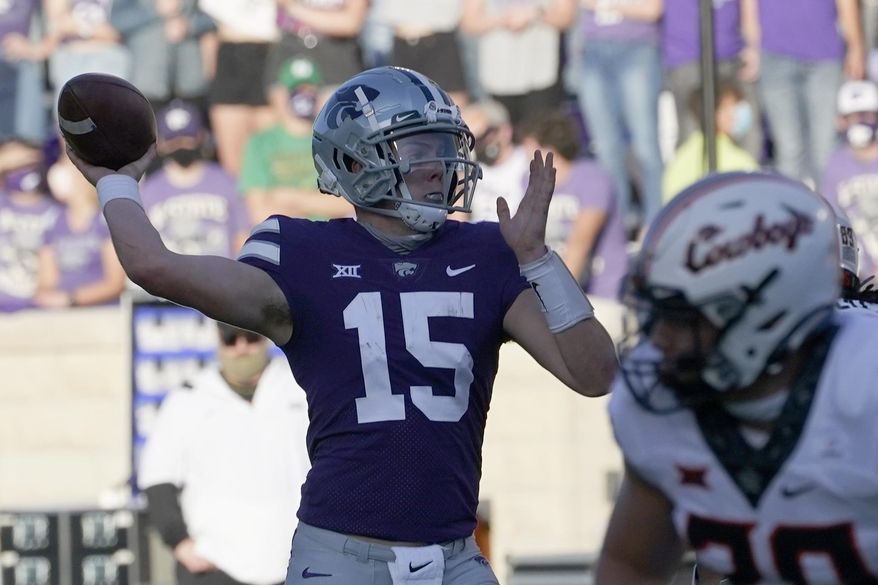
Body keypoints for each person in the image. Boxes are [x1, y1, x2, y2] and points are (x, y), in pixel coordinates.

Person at [68, 66, 617, 585]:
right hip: (342, 556)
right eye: (419, 148)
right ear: (354, 163)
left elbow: (595, 374)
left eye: (446, 147)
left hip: (455, 554)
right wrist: (116, 183)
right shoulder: (302, 252)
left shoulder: (490, 252)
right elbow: (153, 266)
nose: (440, 165)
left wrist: (539, 260)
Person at [595, 172, 878, 583]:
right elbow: (630, 565)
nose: (658, 341)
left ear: (764, 316)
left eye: (683, 318)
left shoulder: (864, 379)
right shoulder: (659, 398)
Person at [138, 322, 310, 585]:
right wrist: (180, 543)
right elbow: (158, 478)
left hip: (296, 562)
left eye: (251, 337)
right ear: (218, 340)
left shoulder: (299, 388)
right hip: (216, 566)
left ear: (265, 338)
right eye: (231, 339)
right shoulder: (189, 398)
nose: (242, 347)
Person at [572, 0, 665, 237]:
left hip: (637, 49)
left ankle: (654, 223)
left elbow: (652, 10)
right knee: (605, 148)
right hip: (592, 51)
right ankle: (619, 225)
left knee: (646, 144)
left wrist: (605, 4)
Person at [746, 0, 865, 184]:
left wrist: (856, 46)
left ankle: (829, 209)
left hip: (824, 57)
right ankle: (789, 210)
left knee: (826, 148)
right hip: (774, 55)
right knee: (788, 149)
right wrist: (753, 45)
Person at [240, 56, 352, 224]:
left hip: (324, 237)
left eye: (309, 88)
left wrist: (291, 198)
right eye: (296, 89)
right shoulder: (259, 143)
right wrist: (319, 204)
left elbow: (347, 204)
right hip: (281, 238)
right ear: (280, 94)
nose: (304, 95)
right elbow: (258, 212)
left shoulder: (334, 142)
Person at [140, 100, 250, 257]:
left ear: (201, 136)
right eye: (173, 140)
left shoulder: (226, 182)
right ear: (161, 143)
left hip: (220, 276)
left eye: (187, 138)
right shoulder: (149, 191)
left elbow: (243, 236)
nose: (181, 145)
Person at [33, 150, 125, 307]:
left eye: (66, 167)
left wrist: (72, 299)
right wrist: (46, 296)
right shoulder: (53, 222)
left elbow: (115, 283)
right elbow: (46, 281)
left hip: (102, 314)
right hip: (62, 316)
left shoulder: (106, 221)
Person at [662, 78, 759, 203]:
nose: (737, 113)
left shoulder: (678, 160)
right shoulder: (740, 161)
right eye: (731, 107)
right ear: (715, 113)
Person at [821, 79, 878, 285]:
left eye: (866, 114)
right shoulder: (835, 163)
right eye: (852, 116)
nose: (859, 122)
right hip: (859, 274)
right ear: (841, 120)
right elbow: (830, 221)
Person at [0, 138, 61, 312]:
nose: (22, 170)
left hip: (37, 307)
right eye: (14, 166)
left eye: (27, 163)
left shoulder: (57, 212)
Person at [461, 99, 530, 222]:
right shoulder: (469, 168)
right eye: (469, 140)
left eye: (482, 136)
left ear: (505, 131)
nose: (476, 146)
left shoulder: (528, 163)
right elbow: (458, 220)